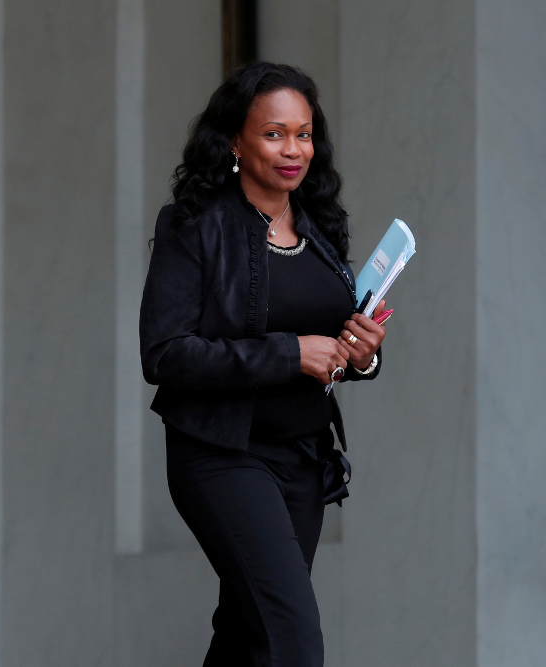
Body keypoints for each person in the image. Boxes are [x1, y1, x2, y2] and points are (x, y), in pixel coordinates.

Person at [139, 62, 388, 667]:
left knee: (248, 638)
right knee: (292, 639)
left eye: (303, 134)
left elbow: (333, 348)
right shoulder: (194, 226)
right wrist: (290, 353)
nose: (293, 149)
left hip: (303, 458)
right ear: (234, 140)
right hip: (223, 454)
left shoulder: (321, 226)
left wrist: (361, 356)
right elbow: (165, 353)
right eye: (274, 134)